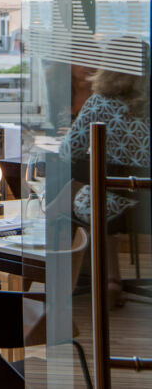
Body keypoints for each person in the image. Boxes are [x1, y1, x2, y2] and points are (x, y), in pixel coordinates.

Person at [60, 37, 150, 306]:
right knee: (95, 189)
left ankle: (58, 278)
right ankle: (111, 278)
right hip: (146, 199)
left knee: (74, 192)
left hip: (108, 200)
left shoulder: (99, 104)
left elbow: (68, 152)